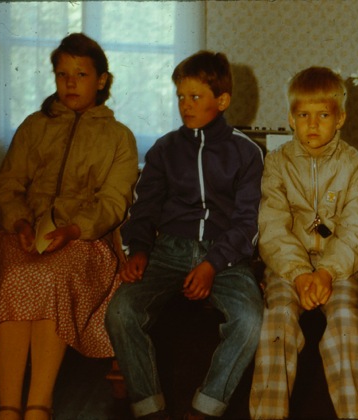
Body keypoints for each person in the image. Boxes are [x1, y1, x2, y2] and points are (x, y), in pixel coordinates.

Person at [0, 33, 138, 420]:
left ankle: (38, 406)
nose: (70, 83)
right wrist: (19, 221)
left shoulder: (118, 137)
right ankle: (8, 407)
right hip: (24, 235)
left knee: (49, 279)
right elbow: (7, 186)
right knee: (17, 275)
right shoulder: (34, 126)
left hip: (85, 241)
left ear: (101, 80)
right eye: (62, 74)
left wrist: (74, 229)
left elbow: (113, 202)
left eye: (81, 74)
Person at [104, 50, 264, 420]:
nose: (185, 105)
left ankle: (206, 407)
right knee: (121, 311)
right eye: (180, 96)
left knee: (250, 320)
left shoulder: (246, 152)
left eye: (195, 96)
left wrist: (212, 264)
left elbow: (247, 223)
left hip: (226, 256)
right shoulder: (164, 149)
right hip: (168, 250)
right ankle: (149, 408)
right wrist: (139, 249)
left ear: (221, 101)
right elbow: (144, 208)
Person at [249, 66, 358, 419]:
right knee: (277, 323)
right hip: (288, 267)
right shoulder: (277, 164)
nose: (312, 124)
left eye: (323, 115)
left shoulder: (357, 167)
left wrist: (327, 272)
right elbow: (272, 226)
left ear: (340, 119)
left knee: (346, 324)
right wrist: (299, 273)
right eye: (303, 115)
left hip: (342, 267)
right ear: (291, 119)